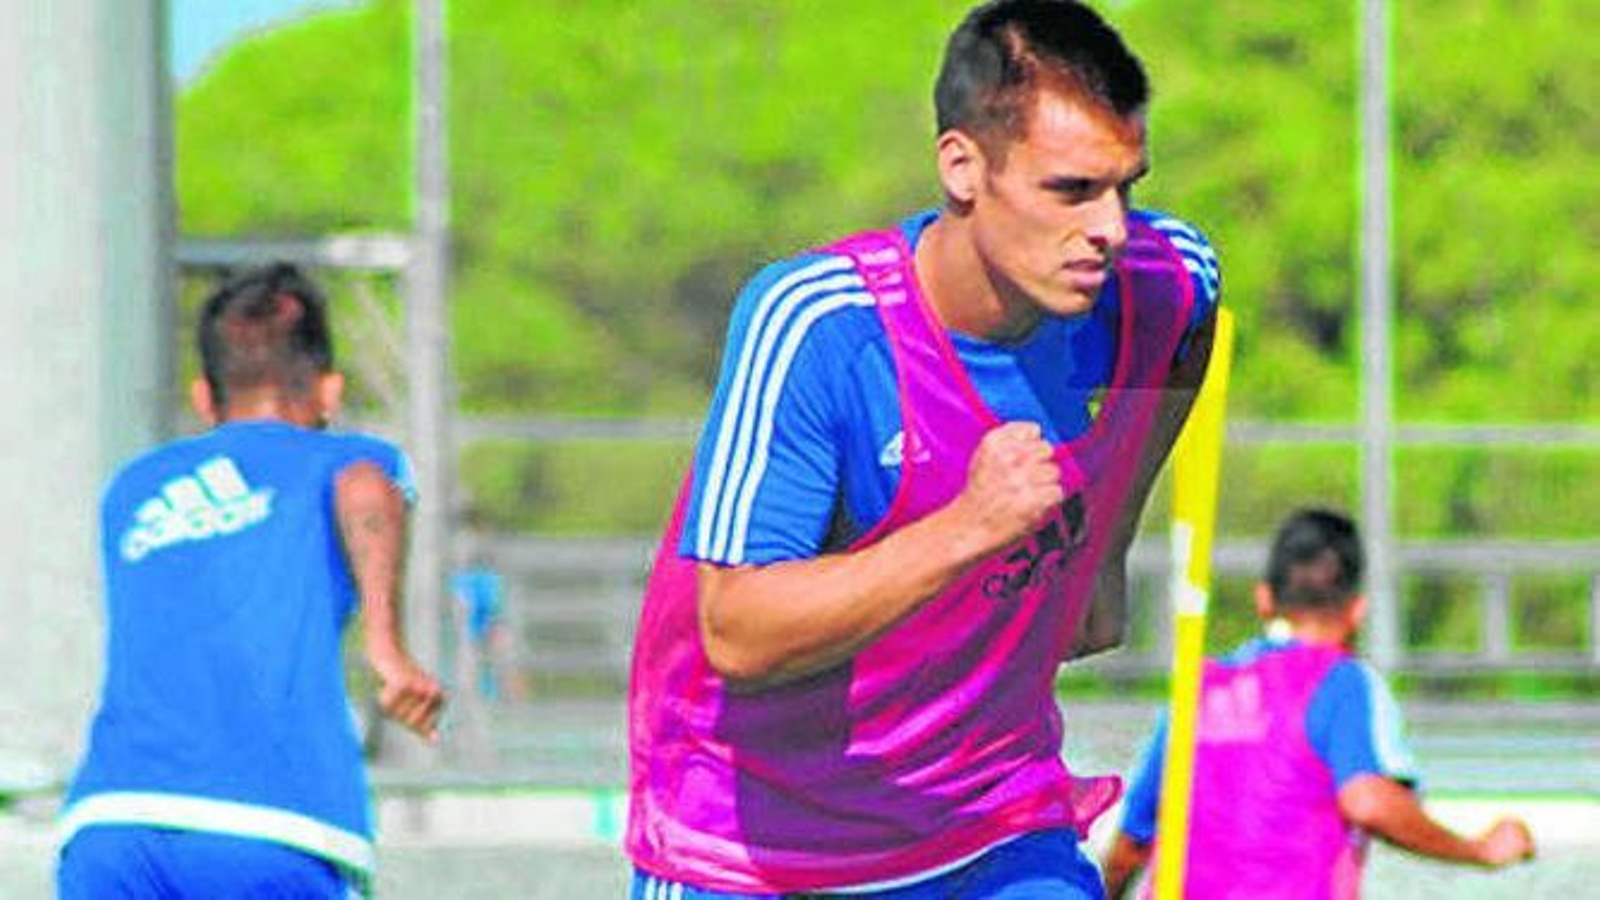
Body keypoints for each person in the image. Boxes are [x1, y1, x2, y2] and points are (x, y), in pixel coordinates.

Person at [627, 2, 1224, 896]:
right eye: (1070, 190)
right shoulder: (822, 325)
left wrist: (1103, 548)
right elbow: (737, 632)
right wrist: (968, 527)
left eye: (1124, 187)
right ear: (962, 167)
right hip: (757, 849)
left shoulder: (1160, 284)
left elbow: (1187, 327)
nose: (1108, 226)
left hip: (990, 826)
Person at [56, 263, 445, 897]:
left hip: (112, 820)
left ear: (203, 398)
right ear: (329, 392)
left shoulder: (131, 489)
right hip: (273, 821)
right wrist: (386, 646)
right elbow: (366, 487)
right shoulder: (345, 459)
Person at [1101, 508, 1535, 899]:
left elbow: (1131, 845)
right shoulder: (1342, 682)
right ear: (1357, 610)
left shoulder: (1199, 689)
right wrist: (1479, 850)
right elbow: (1368, 801)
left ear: (1263, 599)